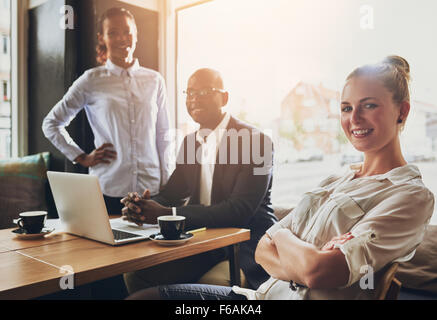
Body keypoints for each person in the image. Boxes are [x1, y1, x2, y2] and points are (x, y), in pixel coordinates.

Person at [126, 56, 435, 300]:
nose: (354, 118)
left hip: (244, 257)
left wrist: (283, 241)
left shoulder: (408, 195)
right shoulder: (334, 181)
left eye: (369, 105)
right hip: (257, 295)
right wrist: (147, 206)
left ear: (402, 112)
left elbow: (312, 269)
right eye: (346, 108)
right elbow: (267, 248)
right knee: (141, 289)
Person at [121, 68, 277, 294]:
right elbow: (172, 194)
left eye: (204, 91)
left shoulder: (255, 141)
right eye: (190, 92)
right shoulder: (190, 142)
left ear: (224, 97)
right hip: (205, 240)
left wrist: (168, 213)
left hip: (246, 244)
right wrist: (142, 206)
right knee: (137, 273)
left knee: (210, 286)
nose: (194, 98)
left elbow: (239, 211)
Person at [42, 7, 172, 215]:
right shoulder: (91, 80)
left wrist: (167, 179)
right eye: (113, 33)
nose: (122, 38)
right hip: (109, 189)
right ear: (102, 38)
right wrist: (82, 157)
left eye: (127, 31)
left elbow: (164, 134)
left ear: (136, 34)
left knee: (152, 247)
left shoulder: (155, 80)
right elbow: (51, 124)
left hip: (151, 189)